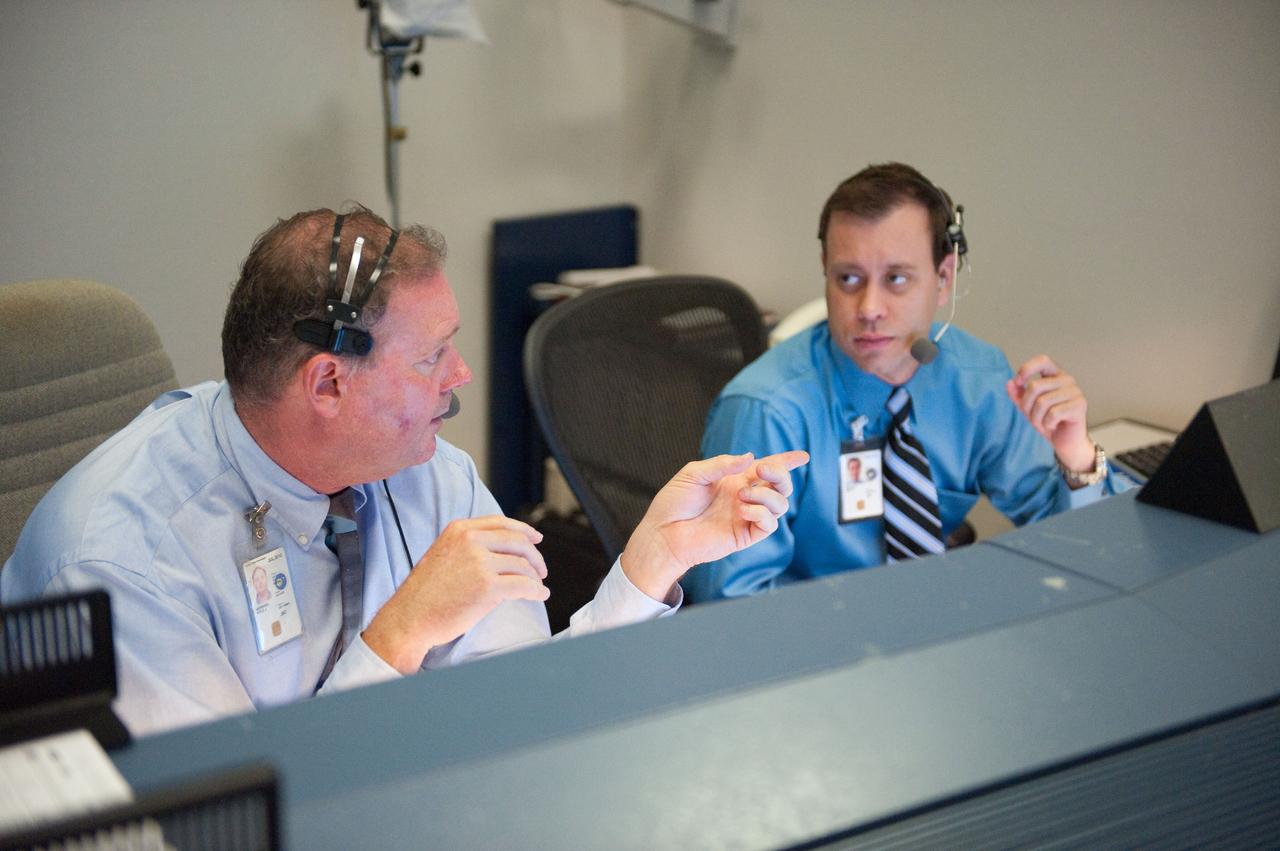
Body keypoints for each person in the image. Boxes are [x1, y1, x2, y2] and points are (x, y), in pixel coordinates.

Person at [1, 206, 807, 736]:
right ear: (327, 382)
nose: (459, 375)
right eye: (430, 357)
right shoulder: (121, 563)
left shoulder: (424, 470)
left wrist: (649, 563)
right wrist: (400, 635)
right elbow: (234, 821)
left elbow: (528, 716)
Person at [687, 163, 1130, 601]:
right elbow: (730, 605)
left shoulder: (975, 380)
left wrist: (1076, 455)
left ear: (944, 279)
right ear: (825, 272)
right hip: (812, 647)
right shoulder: (767, 411)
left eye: (896, 278)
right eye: (848, 279)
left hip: (939, 622)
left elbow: (1079, 548)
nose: (869, 308)